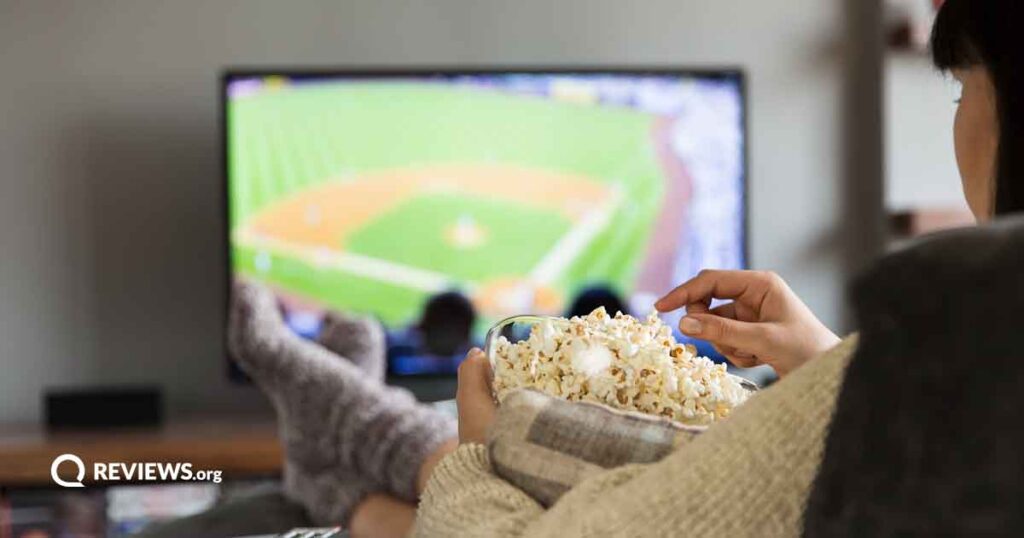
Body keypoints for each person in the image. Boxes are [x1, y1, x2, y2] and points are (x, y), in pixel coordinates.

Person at [227, 0, 1024, 535]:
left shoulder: (961, 337)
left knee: (487, 452)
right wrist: (832, 366)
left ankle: (346, 439)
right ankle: (346, 481)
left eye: (960, 93)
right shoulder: (960, 363)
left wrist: (472, 460)